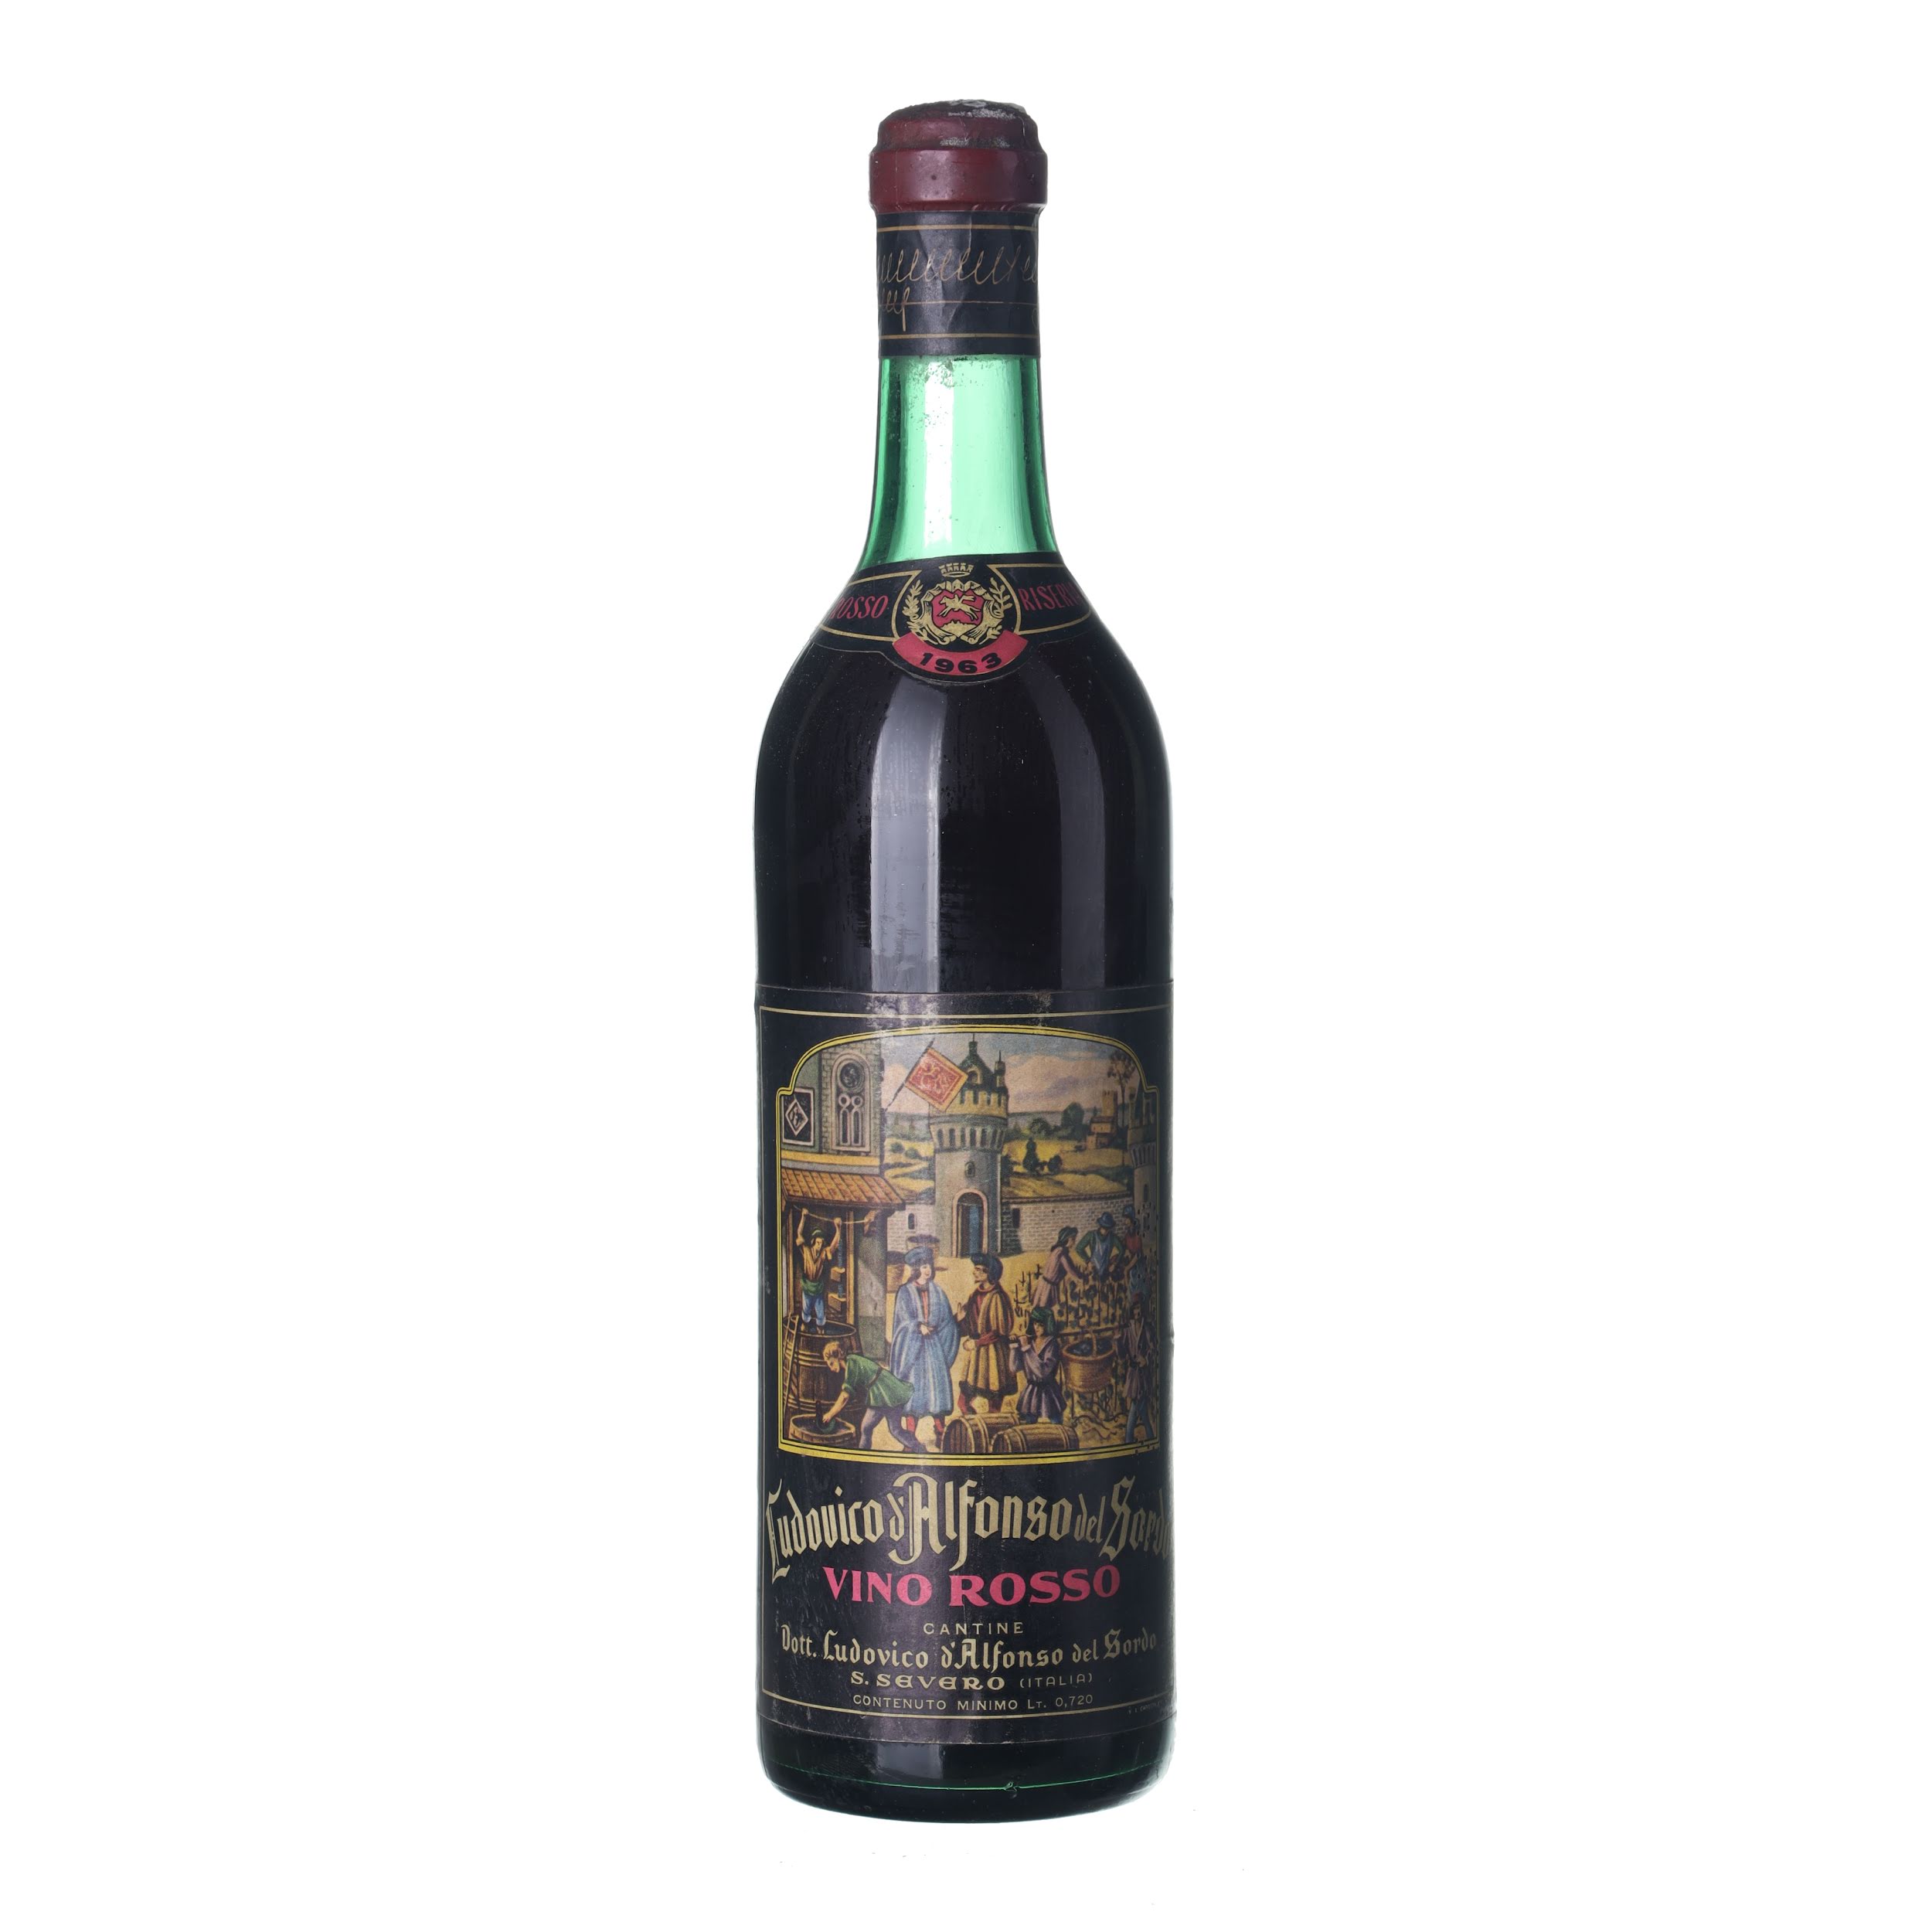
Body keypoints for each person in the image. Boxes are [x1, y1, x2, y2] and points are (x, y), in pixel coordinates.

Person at [889, 1244, 959, 1450]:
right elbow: (902, 1321)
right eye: (924, 1266)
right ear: (916, 1269)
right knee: (914, 1394)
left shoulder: (938, 1291)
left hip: (933, 1349)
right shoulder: (905, 1292)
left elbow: (946, 1321)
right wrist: (917, 1326)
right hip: (914, 1351)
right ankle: (910, 1439)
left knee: (937, 1392)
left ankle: (941, 1434)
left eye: (929, 1266)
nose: (927, 1270)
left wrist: (957, 1321)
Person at [818, 1342, 922, 1453]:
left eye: (831, 1363)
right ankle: (920, 1449)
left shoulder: (851, 1364)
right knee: (893, 1430)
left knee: (869, 1428)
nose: (831, 1368)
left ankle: (862, 1455)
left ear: (838, 1357)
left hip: (882, 1393)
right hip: (886, 1390)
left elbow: (845, 1396)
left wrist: (830, 1414)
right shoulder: (852, 1361)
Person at [955, 1253, 1017, 1414]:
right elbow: (968, 1327)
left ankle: (991, 1429)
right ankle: (974, 1428)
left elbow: (999, 1331)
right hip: (976, 1356)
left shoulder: (997, 1297)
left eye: (978, 1269)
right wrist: (959, 1320)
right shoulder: (975, 1295)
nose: (974, 1272)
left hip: (994, 1355)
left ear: (988, 1273)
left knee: (994, 1405)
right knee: (963, 1403)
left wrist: (976, 1343)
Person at [1009, 1306, 1066, 1424]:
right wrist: (1014, 1348)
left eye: (1041, 1325)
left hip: (1049, 1392)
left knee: (1057, 1424)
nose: (1036, 1327)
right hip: (1031, 1393)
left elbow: (1042, 1372)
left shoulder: (1052, 1345)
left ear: (1048, 1325)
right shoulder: (1031, 1343)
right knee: (1029, 1427)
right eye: (1035, 1324)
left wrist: (1026, 1349)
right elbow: (1014, 1368)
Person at [794, 1214, 843, 1331]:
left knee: (820, 1314)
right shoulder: (806, 1250)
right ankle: (805, 1330)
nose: (819, 1246)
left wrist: (838, 1228)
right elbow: (799, 1233)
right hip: (807, 1286)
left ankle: (821, 1332)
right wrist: (803, 1217)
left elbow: (834, 1245)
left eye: (821, 1243)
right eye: (817, 1243)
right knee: (806, 1312)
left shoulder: (824, 1253)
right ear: (813, 1242)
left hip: (818, 1288)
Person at [1119, 1290, 1155, 1442]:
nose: (1137, 1312)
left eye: (1139, 1308)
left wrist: (1146, 1359)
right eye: (1134, 1309)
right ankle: (1143, 1439)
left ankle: (1129, 1441)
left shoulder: (1147, 1328)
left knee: (1137, 1412)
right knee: (1141, 1413)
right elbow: (1122, 1354)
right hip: (1133, 1375)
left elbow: (1153, 1349)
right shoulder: (1128, 1329)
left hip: (1143, 1375)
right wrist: (1117, 1341)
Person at [1032, 1225, 1083, 1311]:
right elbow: (1070, 1269)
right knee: (1044, 1309)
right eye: (1073, 1239)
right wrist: (1081, 1276)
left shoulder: (1058, 1250)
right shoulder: (1061, 1252)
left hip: (1046, 1284)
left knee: (1042, 1308)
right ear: (1068, 1239)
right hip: (1048, 1287)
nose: (1074, 1242)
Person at [1077, 1211, 1122, 1285]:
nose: (1105, 1231)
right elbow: (1079, 1248)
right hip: (1093, 1270)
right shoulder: (1091, 1235)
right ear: (1100, 1225)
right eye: (1104, 1227)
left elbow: (1122, 1250)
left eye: (1107, 1228)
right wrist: (1088, 1261)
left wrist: (1115, 1264)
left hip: (1106, 1271)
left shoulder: (1112, 1237)